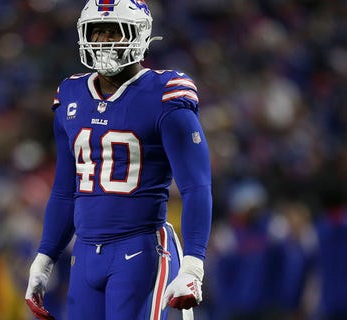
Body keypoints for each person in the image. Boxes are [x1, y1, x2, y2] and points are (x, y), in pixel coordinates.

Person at [24, 0, 212, 319]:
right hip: (83, 255)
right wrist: (44, 259)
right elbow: (65, 189)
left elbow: (197, 186)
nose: (103, 41)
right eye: (96, 32)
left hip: (141, 250)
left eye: (114, 31)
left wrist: (194, 266)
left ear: (139, 36)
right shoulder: (71, 94)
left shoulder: (164, 93)